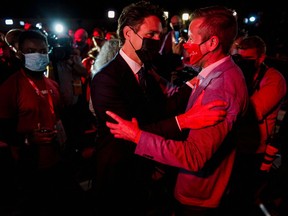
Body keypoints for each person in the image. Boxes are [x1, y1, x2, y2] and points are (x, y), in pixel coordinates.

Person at [105, 5, 249, 216]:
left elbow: (194, 156)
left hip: (198, 195)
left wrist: (138, 136)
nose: (185, 44)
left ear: (212, 43)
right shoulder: (214, 73)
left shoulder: (221, 88)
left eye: (190, 38)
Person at [0, 29, 86, 215]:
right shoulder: (10, 87)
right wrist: (27, 140)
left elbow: (58, 117)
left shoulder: (52, 85)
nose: (37, 55)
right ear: (19, 54)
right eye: (30, 51)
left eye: (42, 50)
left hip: (57, 161)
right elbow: (3, 130)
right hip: (28, 169)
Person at [224, 35, 287, 215]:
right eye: (240, 58)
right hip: (232, 144)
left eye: (249, 60)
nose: (244, 63)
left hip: (252, 149)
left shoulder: (274, 80)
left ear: (261, 58)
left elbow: (250, 113)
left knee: (243, 197)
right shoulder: (239, 73)